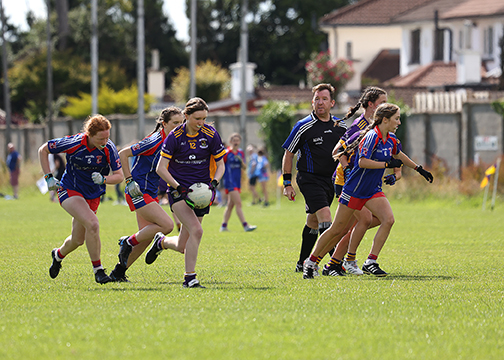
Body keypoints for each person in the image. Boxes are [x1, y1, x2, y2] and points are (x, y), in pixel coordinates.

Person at [303, 103, 434, 279]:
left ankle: (370, 261)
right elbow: (362, 162)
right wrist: (387, 164)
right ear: (385, 120)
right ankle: (311, 262)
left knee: (388, 219)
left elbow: (399, 155)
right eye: (397, 118)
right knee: (337, 229)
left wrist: (419, 169)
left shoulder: (392, 139)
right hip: (355, 189)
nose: (399, 122)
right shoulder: (372, 136)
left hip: (372, 190)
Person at [147, 97, 226, 288]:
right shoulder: (175, 136)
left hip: (202, 192)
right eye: (197, 118)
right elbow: (161, 168)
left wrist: (214, 183)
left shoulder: (210, 134)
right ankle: (189, 278)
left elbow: (221, 164)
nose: (201, 123)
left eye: (204, 119)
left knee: (183, 245)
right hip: (178, 191)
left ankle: (161, 243)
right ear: (186, 116)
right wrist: (177, 186)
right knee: (197, 231)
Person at [39, 114, 124, 284]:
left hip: (93, 195)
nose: (105, 141)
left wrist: (104, 180)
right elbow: (43, 149)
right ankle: (98, 270)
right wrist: (48, 177)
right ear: (89, 135)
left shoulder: (109, 148)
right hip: (69, 189)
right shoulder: (74, 142)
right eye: (101, 138)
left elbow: (119, 176)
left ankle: (58, 255)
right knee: (93, 223)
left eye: (108, 137)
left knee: (77, 239)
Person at [109, 107, 184, 282]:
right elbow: (123, 154)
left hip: (150, 192)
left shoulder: (173, 142)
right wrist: (128, 180)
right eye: (175, 123)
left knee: (145, 238)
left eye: (181, 123)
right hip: (138, 190)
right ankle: (128, 242)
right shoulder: (154, 140)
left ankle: (118, 273)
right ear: (164, 124)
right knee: (166, 226)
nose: (179, 126)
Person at [281, 83, 347, 272]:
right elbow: (288, 154)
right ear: (312, 102)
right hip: (309, 179)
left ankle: (302, 263)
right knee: (326, 219)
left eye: (324, 99)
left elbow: (345, 152)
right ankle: (332, 264)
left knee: (313, 222)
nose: (320, 103)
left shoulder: (340, 126)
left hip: (330, 181)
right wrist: (287, 183)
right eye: (316, 99)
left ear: (332, 103)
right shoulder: (303, 126)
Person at [220, 133, 257, 232]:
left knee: (230, 205)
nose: (236, 142)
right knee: (238, 203)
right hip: (229, 181)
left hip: (237, 181)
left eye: (238, 140)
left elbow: (244, 167)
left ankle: (223, 226)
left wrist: (241, 162)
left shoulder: (240, 153)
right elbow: (220, 166)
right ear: (230, 142)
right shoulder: (226, 153)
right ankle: (245, 225)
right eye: (234, 140)